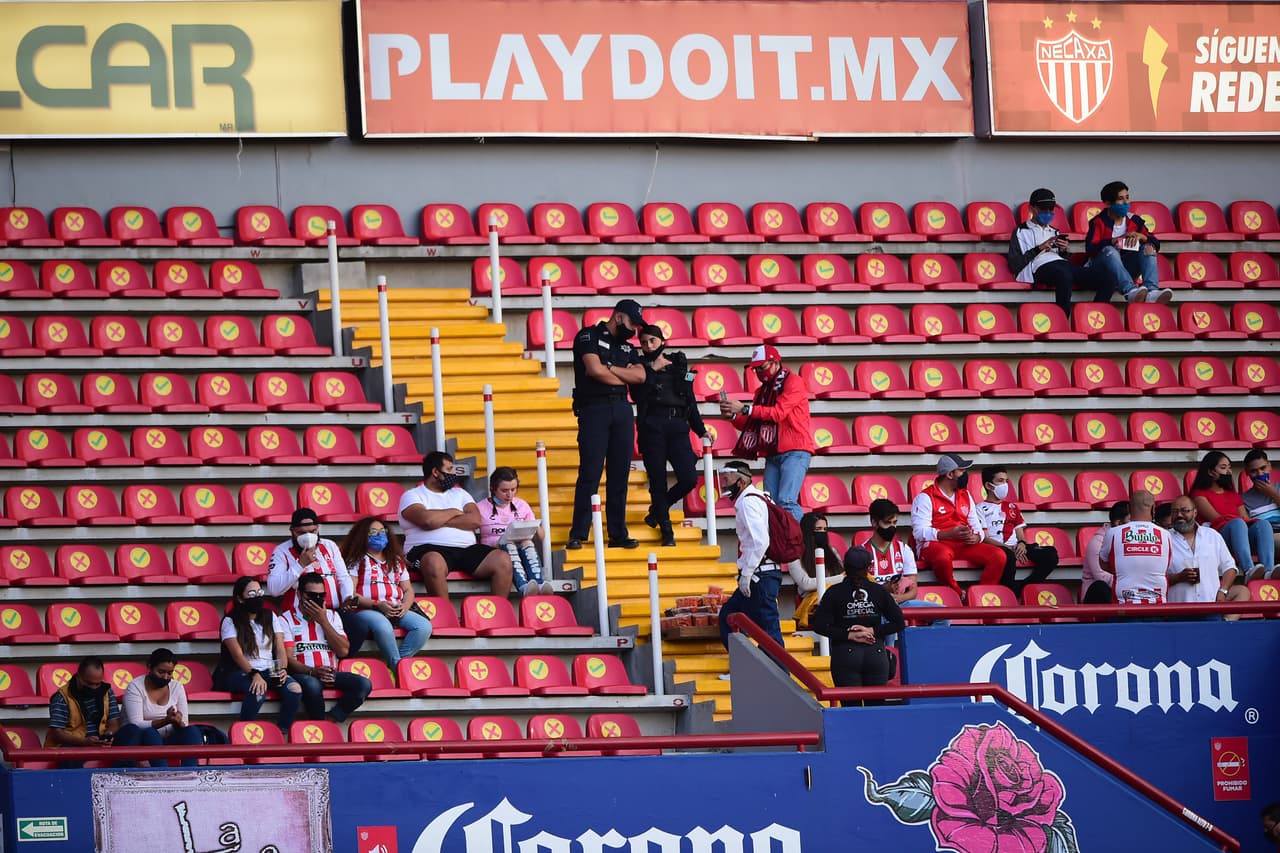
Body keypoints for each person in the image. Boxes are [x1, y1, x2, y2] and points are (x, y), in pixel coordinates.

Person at [566, 298, 648, 550]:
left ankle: (618, 534)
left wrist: (610, 367)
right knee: (590, 472)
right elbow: (594, 370)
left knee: (619, 474)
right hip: (594, 409)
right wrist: (622, 375)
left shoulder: (627, 347)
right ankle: (579, 533)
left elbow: (640, 376)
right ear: (619, 317)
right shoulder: (588, 336)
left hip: (622, 409)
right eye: (632, 323)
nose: (634, 329)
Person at [400, 451, 514, 597]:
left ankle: (499, 609)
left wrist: (438, 519)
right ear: (435, 472)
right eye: (449, 469)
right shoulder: (412, 495)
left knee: (503, 560)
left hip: (466, 549)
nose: (453, 474)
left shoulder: (461, 494)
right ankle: (445, 611)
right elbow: (427, 521)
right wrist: (454, 511)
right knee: (433, 562)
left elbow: (475, 520)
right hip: (427, 549)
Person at [719, 344, 814, 521]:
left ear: (775, 363)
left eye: (761, 367)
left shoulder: (793, 382)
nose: (759, 373)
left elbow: (778, 413)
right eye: (756, 369)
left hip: (795, 451)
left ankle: (804, 537)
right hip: (774, 452)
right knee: (771, 504)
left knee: (786, 501)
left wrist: (745, 409)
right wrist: (733, 416)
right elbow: (753, 423)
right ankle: (784, 538)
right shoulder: (762, 391)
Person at [632, 323, 706, 547]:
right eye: (644, 342)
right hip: (652, 427)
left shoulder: (678, 363)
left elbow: (690, 400)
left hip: (677, 425)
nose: (648, 345)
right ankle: (667, 532)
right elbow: (637, 395)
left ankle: (657, 510)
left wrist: (701, 430)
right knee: (658, 482)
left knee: (689, 478)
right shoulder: (638, 365)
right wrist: (652, 369)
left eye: (652, 341)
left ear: (661, 341)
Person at [809, 546, 905, 703]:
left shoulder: (834, 592)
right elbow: (899, 623)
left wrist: (849, 635)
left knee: (850, 709)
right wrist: (872, 630)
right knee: (876, 709)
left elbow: (819, 625)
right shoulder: (878, 591)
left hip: (845, 655)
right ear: (869, 568)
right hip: (875, 652)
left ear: (844, 566)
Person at [339, 516, 432, 668]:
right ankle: (398, 668)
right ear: (362, 536)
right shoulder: (355, 560)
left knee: (423, 627)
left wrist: (405, 606)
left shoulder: (396, 560)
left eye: (382, 531)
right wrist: (377, 604)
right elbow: (351, 594)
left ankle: (397, 665)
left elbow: (408, 589)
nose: (379, 535)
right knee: (383, 626)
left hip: (396, 607)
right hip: (367, 609)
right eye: (373, 532)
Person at [280, 571, 372, 724]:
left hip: (330, 673)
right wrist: (312, 671)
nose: (316, 599)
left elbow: (343, 651)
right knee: (312, 684)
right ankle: (320, 725)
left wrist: (323, 621)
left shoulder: (332, 616)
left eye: (321, 595)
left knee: (363, 684)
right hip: (304, 674)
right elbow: (287, 660)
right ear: (299, 594)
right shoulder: (285, 619)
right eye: (311, 595)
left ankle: (330, 720)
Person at [910, 453, 1006, 597]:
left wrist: (976, 537)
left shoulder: (965, 494)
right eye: (961, 471)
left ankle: (981, 596)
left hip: (962, 544)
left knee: (998, 555)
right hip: (935, 544)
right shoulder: (925, 497)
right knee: (942, 556)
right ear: (950, 474)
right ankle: (957, 593)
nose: (965, 474)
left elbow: (976, 525)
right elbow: (919, 532)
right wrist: (948, 534)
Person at [215, 577, 301, 733]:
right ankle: (243, 732)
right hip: (239, 671)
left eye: (259, 593)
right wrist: (254, 674)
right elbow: (237, 655)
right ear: (240, 598)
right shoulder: (230, 621)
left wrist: (282, 669)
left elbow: (280, 648)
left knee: (294, 689)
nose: (257, 597)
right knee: (258, 691)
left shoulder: (271, 616)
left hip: (269, 668)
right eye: (252, 594)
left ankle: (281, 732)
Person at [1007, 187, 1113, 314]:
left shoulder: (1054, 231)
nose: (1048, 212)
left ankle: (1096, 314)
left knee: (1108, 278)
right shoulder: (1020, 231)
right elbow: (1014, 264)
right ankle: (1062, 318)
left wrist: (1063, 250)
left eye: (1051, 209)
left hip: (1061, 264)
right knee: (1063, 274)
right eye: (1043, 209)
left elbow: (1062, 258)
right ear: (1031, 209)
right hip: (1038, 268)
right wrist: (1039, 248)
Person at [715, 461, 784, 650]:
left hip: (760, 575)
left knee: (769, 631)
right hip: (764, 572)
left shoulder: (747, 502)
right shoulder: (761, 497)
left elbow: (760, 541)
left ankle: (776, 667)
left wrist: (747, 573)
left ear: (741, 482)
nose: (724, 485)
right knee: (729, 617)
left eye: (727, 480)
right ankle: (745, 663)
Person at [265, 508, 359, 646]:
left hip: (333, 611)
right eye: (301, 533)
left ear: (318, 528)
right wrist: (300, 565)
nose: (308, 537)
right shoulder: (282, 551)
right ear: (292, 531)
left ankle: (340, 658)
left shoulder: (329, 546)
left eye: (312, 531)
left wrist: (347, 597)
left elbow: (343, 577)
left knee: (358, 626)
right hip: (301, 613)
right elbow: (274, 589)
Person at [1190, 451, 1275, 583]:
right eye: (1223, 468)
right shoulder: (1199, 494)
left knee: (1263, 524)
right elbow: (1217, 519)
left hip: (1239, 535)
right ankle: (1248, 569)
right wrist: (1237, 521)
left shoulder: (1232, 494)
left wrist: (1242, 522)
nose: (1229, 472)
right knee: (1237, 523)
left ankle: (1269, 570)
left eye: (1229, 467)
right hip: (1216, 538)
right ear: (1211, 472)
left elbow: (1246, 519)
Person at [1084, 180, 1173, 304]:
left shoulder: (1134, 220)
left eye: (1127, 197)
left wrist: (1141, 237)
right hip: (1102, 271)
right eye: (1120, 199)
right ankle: (1130, 291)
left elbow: (1156, 243)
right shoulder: (1098, 222)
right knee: (1110, 250)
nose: (1126, 202)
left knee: (1148, 247)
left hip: (1127, 269)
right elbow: (1090, 249)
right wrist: (1115, 240)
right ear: (1108, 203)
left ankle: (1152, 292)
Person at [976, 465, 1058, 596]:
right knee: (1007, 556)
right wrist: (1008, 548)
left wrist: (1022, 544)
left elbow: (1019, 531)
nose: (1005, 484)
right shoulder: (979, 508)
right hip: (997, 548)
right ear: (988, 485)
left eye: (1006, 481)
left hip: (1016, 547)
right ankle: (1008, 593)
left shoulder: (1012, 507)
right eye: (1000, 481)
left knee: (1050, 554)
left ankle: (1022, 588)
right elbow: (985, 538)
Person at [476, 467, 554, 596]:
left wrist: (534, 526)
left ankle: (538, 583)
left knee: (527, 542)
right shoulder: (480, 507)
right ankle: (523, 586)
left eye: (513, 490)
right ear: (493, 488)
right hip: (494, 551)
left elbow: (540, 537)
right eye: (504, 490)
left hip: (521, 547)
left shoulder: (521, 505)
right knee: (508, 544)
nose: (510, 495)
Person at [1168, 495, 1250, 619]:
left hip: (1210, 608)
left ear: (1195, 512)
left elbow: (1230, 567)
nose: (1179, 515)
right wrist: (1178, 577)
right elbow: (1155, 576)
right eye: (1174, 511)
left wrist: (1223, 591)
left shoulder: (1212, 535)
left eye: (1185, 510)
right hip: (1178, 612)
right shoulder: (1164, 538)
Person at [121, 647, 204, 767]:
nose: (165, 677)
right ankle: (162, 772)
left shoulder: (177, 686)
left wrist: (176, 721)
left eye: (169, 673)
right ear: (149, 667)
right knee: (150, 733)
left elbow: (184, 724)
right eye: (161, 672)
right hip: (141, 742)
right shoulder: (135, 687)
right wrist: (165, 720)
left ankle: (190, 773)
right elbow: (136, 724)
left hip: (168, 739)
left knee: (192, 731)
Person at [1100, 490, 1172, 604]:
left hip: (1123, 604)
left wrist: (1124, 569)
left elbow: (1103, 564)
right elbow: (1166, 566)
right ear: (1153, 509)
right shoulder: (1166, 534)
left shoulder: (1113, 532)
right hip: (1157, 604)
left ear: (1128, 509)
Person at [788, 512, 832, 630]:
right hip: (811, 605)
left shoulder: (832, 552)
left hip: (835, 599)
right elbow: (806, 584)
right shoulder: (795, 556)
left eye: (825, 529)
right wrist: (841, 578)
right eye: (818, 529)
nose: (822, 533)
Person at [1242, 450, 1280, 577]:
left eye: (1263, 468)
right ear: (1247, 472)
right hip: (1266, 538)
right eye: (1254, 471)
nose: (1259, 474)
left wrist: (1273, 494)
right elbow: (1247, 529)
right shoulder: (1244, 499)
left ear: (1269, 466)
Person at [1082, 501, 1128, 604]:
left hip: (1123, 592)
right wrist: (1129, 583)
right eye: (1131, 521)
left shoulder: (1132, 541)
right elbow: (1102, 576)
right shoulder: (1097, 542)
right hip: (1097, 596)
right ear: (1119, 523)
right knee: (1100, 587)